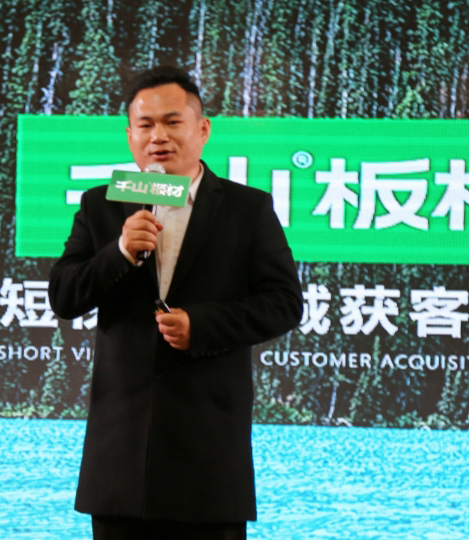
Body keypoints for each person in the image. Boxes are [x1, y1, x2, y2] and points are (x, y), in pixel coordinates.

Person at [48, 66, 303, 539]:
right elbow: (63, 296)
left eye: (172, 122)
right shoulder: (102, 205)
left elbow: (286, 302)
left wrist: (201, 327)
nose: (158, 136)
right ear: (129, 135)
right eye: (145, 125)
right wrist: (119, 253)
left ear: (202, 129)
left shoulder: (248, 209)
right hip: (121, 463)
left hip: (208, 463)